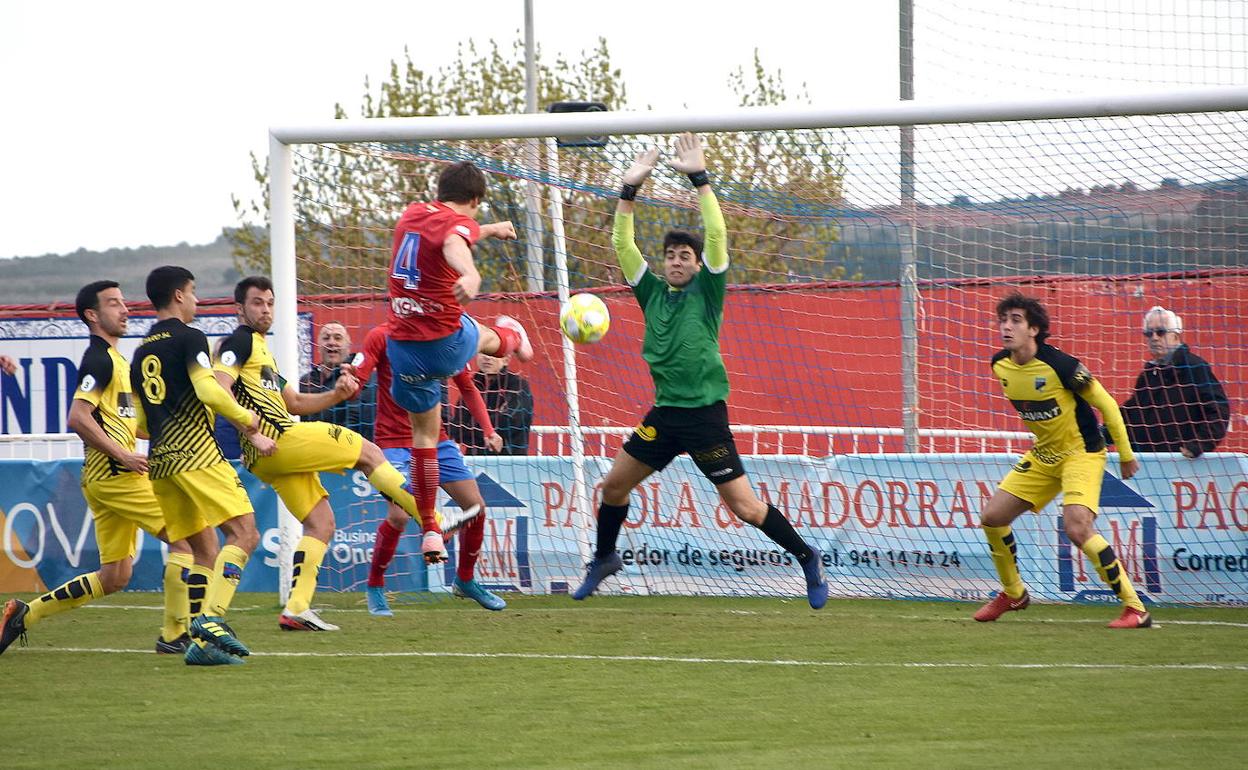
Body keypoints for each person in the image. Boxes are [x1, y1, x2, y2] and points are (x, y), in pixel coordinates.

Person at [571, 134, 828, 609]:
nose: (675, 260)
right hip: (666, 416)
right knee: (613, 485)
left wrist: (700, 179)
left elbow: (717, 236)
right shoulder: (650, 293)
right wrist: (629, 189)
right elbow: (621, 243)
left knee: (746, 508)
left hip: (705, 416)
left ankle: (806, 555)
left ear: (696, 265)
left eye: (684, 256)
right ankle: (605, 558)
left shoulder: (709, 293)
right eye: (670, 255)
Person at [213, 276, 481, 630]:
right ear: (239, 309)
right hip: (279, 439)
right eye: (257, 303)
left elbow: (293, 401)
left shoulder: (262, 351)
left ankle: (293, 609)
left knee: (321, 524)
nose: (265, 309)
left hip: (270, 456)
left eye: (269, 303)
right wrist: (252, 429)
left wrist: (336, 396)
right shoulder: (239, 342)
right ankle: (431, 520)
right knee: (369, 452)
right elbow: (218, 388)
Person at [0, 281, 195, 657]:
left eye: (124, 302)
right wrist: (123, 455)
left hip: (106, 479)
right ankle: (174, 634)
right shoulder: (99, 359)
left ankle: (24, 614)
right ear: (92, 315)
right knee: (187, 539)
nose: (124, 309)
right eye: (113, 303)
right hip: (116, 477)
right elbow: (78, 417)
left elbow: (129, 424)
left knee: (115, 576)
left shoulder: (119, 361)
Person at [386, 160, 535, 563]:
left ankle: (431, 529)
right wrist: (470, 275)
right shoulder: (459, 225)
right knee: (481, 334)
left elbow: (453, 233)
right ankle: (514, 339)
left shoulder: (413, 214)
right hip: (443, 344)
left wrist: (491, 229)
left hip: (403, 350)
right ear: (474, 200)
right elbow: (455, 240)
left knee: (424, 439)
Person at [130, 266, 278, 665]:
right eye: (193, 292)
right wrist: (248, 420)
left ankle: (200, 647)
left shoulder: (141, 352)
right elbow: (208, 387)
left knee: (203, 551)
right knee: (245, 533)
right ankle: (212, 619)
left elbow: (141, 424)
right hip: (196, 454)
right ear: (178, 296)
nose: (196, 300)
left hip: (161, 463)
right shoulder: (191, 337)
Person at [976, 292, 1151, 629]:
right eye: (1003, 320)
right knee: (993, 517)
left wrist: (1126, 455)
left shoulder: (1063, 366)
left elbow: (1109, 405)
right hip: (1044, 454)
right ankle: (1013, 594)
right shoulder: (1000, 364)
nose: (1006, 327)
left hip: (1081, 453)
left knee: (1077, 527)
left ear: (1035, 329)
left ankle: (1135, 608)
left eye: (1015, 320)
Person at [349, 321, 506, 613]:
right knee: (398, 515)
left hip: (437, 439)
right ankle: (375, 585)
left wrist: (488, 430)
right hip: (393, 444)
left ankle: (465, 580)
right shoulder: (380, 336)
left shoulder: (443, 338)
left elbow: (467, 387)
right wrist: (350, 383)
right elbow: (358, 376)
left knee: (476, 508)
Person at [1115, 305, 1230, 458]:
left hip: (1181, 464)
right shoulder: (1149, 374)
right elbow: (1132, 414)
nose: (1154, 338)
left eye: (1161, 332)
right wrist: (1104, 434)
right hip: (1146, 464)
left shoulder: (1193, 367)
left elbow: (1219, 410)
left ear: (1176, 336)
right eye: (1149, 333)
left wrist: (1198, 445)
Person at [300, 322, 377, 440]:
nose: (331, 342)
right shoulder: (306, 382)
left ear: (348, 345)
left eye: (338, 338)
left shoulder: (367, 378)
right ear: (318, 346)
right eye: (326, 338)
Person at [449, 352, 533, 456]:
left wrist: (474, 427)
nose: (487, 358)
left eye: (493, 354)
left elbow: (510, 423)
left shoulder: (517, 385)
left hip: (510, 462)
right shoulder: (471, 385)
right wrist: (486, 431)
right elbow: (457, 429)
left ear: (506, 359)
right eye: (483, 353)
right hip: (475, 461)